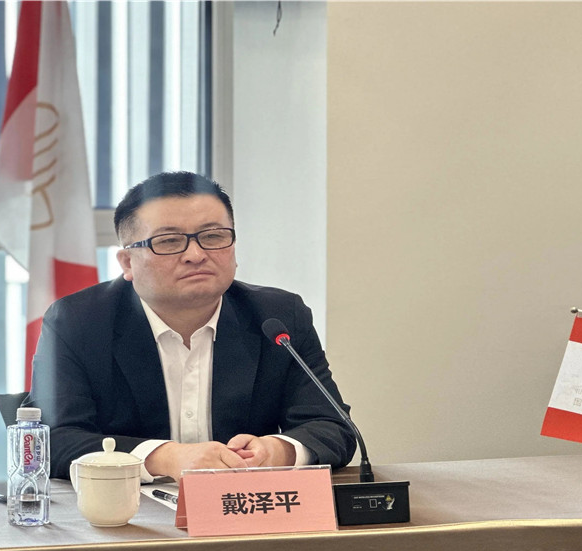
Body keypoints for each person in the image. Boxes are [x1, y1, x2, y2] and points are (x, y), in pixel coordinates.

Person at [26, 171, 356, 482]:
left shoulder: (278, 317)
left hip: (244, 511)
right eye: (169, 241)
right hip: (124, 514)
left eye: (213, 237)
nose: (196, 255)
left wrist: (277, 451)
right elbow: (50, 439)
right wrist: (164, 458)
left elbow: (332, 426)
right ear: (128, 262)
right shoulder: (79, 322)